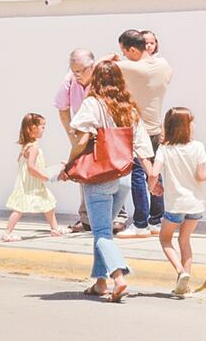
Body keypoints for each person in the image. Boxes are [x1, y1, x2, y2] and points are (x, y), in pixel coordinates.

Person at [62, 61, 155, 303]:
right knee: (103, 233)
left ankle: (118, 278)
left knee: (102, 232)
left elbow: (81, 141)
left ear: (97, 81)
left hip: (100, 176)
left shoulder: (92, 104)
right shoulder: (129, 108)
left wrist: (69, 165)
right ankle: (100, 283)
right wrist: (151, 175)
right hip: (123, 177)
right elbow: (142, 146)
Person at [147, 107, 206, 297]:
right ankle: (185, 284)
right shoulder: (198, 147)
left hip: (176, 205)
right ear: (185, 126)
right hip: (196, 205)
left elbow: (153, 173)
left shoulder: (164, 150)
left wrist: (152, 188)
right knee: (185, 240)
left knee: (165, 239)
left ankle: (180, 272)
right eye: (191, 122)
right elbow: (200, 176)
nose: (194, 125)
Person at [55, 49, 128, 233]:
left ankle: (113, 218)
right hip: (85, 132)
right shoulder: (70, 80)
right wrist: (72, 134)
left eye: (80, 71)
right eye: (74, 71)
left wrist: (69, 164)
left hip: (106, 136)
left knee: (112, 175)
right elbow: (62, 107)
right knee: (87, 174)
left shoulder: (101, 83)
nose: (76, 75)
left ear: (92, 68)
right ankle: (89, 220)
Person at [112, 29, 174, 238]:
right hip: (155, 128)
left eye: (124, 51)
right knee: (154, 172)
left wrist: (110, 58)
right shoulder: (163, 65)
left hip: (139, 130)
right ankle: (157, 220)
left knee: (138, 175)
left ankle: (140, 224)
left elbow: (99, 67)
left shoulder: (131, 68)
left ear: (131, 49)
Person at [3, 113, 67, 242]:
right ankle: (7, 233)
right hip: (31, 185)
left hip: (34, 184)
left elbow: (25, 163)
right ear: (33, 128)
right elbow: (31, 167)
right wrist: (45, 176)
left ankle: (54, 228)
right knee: (20, 208)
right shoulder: (34, 147)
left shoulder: (26, 146)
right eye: (42, 127)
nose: (44, 129)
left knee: (49, 204)